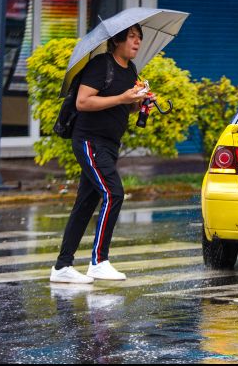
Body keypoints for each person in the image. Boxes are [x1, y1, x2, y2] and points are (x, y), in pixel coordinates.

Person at [50, 23, 157, 284]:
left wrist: (139, 103)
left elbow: (123, 106)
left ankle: (62, 267)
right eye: (131, 36)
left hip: (109, 144)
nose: (137, 42)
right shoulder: (101, 65)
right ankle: (99, 262)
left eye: (139, 37)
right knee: (113, 193)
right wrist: (122, 98)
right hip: (90, 141)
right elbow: (83, 101)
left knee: (85, 204)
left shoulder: (131, 70)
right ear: (117, 40)